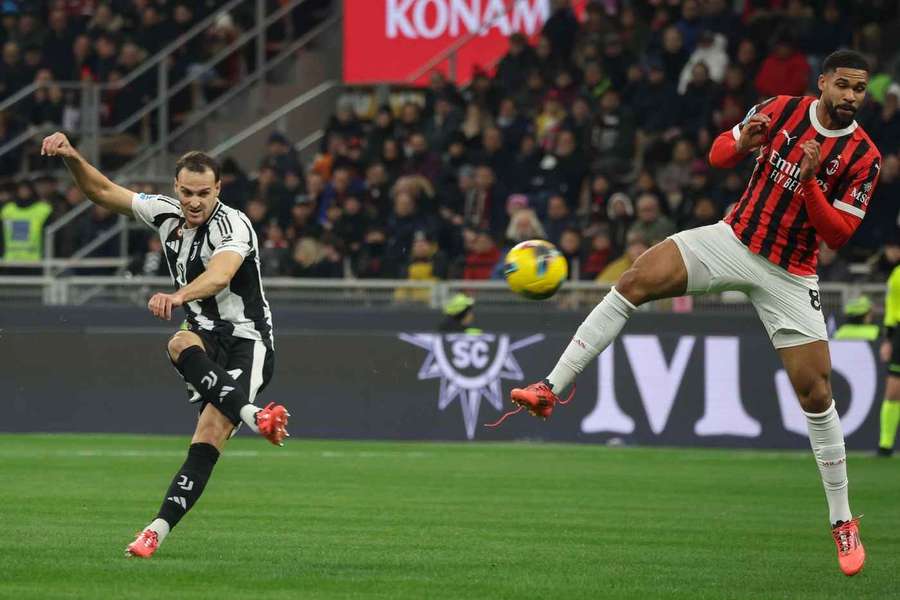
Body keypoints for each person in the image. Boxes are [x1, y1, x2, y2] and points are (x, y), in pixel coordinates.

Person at [503, 50, 881, 577]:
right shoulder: (779, 109)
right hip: (733, 239)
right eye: (843, 85)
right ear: (823, 83)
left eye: (859, 90)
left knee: (816, 394)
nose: (850, 97)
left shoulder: (865, 156)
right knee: (633, 280)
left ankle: (842, 521)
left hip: (791, 273)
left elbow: (838, 234)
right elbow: (719, 153)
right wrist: (741, 142)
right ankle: (549, 385)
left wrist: (812, 181)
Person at [40, 132, 290, 559]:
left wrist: (176, 296)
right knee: (178, 343)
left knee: (209, 434)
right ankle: (255, 416)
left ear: (218, 190)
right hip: (204, 331)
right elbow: (101, 191)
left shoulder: (234, 225)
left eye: (204, 193)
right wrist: (71, 158)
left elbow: (221, 275)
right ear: (176, 188)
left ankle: (155, 530)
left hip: (248, 339)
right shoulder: (166, 214)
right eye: (187, 192)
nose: (194, 202)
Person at [878, 265, 900, 457]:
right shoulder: (897, 274)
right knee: (893, 390)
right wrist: (889, 339)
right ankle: (885, 445)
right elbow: (892, 307)